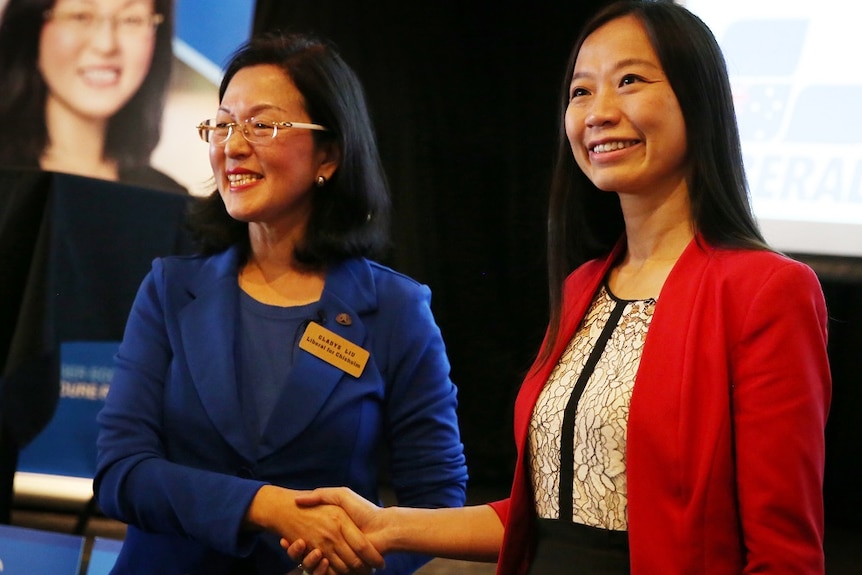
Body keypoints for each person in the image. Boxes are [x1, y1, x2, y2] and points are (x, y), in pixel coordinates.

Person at [285, 1, 832, 574]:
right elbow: (536, 519)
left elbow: (784, 556)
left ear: (699, 101)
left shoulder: (767, 290)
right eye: (580, 91)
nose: (598, 112)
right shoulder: (583, 288)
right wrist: (384, 523)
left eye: (629, 81)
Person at [93, 31, 467, 575]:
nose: (233, 146)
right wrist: (267, 506)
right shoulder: (170, 290)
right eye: (222, 125)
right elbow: (121, 473)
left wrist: (351, 562)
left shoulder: (394, 309)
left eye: (262, 125)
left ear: (330, 154)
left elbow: (435, 503)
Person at [0, 0, 184, 192]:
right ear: (32, 28)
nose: (105, 45)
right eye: (80, 16)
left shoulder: (172, 202)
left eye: (131, 20)